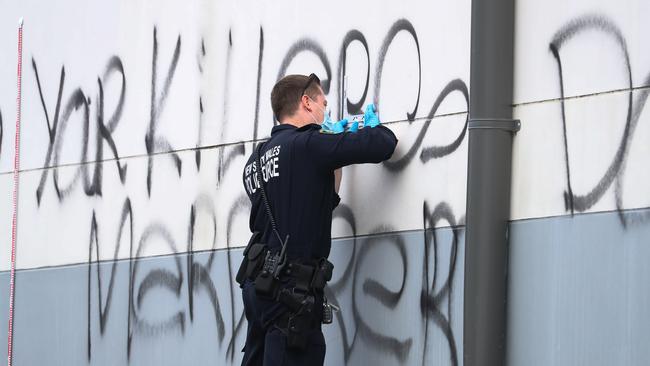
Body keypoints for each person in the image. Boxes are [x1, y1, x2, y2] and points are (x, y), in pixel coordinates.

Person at [238, 73, 397, 365]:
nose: (325, 108)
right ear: (306, 102)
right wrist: (368, 128)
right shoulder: (308, 145)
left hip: (259, 288)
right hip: (291, 295)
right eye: (322, 101)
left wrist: (332, 160)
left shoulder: (255, 160)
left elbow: (312, 203)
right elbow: (383, 144)